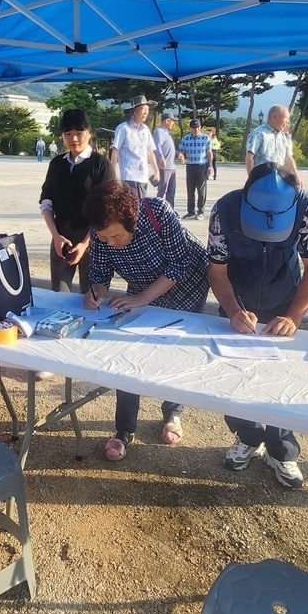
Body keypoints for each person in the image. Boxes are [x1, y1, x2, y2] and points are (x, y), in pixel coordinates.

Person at [206, 164, 308, 489]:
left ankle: (281, 450)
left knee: (282, 382)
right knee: (232, 379)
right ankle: (247, 436)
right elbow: (217, 271)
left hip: (286, 300)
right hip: (238, 301)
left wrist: (295, 316)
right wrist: (233, 311)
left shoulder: (304, 207)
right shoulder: (225, 210)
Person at [83, 181, 209, 461]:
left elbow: (180, 264)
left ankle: (173, 413)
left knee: (175, 350)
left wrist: (142, 298)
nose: (110, 242)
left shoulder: (158, 212)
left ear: (132, 220)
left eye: (115, 236)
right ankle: (123, 430)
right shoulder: (100, 233)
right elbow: (101, 272)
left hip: (187, 283)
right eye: (104, 237)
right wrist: (95, 293)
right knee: (130, 355)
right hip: (141, 288)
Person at [39, 108, 116, 291]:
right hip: (62, 241)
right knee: (59, 295)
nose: (74, 139)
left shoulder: (100, 164)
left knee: (90, 298)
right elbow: (46, 202)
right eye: (68, 134)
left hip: (94, 241)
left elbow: (107, 209)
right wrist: (56, 237)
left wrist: (84, 244)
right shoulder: (57, 164)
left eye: (79, 133)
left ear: (89, 133)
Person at [110, 94, 160, 198]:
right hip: (129, 176)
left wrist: (156, 170)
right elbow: (115, 151)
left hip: (142, 176)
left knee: (142, 208)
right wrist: (113, 174)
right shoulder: (123, 128)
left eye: (147, 109)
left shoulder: (145, 129)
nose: (146, 112)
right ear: (134, 111)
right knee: (130, 209)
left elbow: (150, 152)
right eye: (142, 109)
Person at [244, 105, 302, 186]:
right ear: (274, 117)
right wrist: (252, 180)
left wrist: (296, 178)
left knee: (301, 196)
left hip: (279, 180)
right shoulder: (259, 134)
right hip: (262, 179)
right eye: (285, 119)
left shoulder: (282, 136)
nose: (287, 122)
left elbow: (288, 158)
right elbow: (249, 157)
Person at [177, 117, 215, 219]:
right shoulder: (186, 139)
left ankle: (201, 211)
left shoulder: (205, 138)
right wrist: (181, 156)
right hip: (190, 166)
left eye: (198, 127)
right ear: (190, 129)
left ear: (200, 128)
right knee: (190, 190)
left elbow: (209, 153)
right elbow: (181, 150)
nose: (196, 130)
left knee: (201, 190)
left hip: (201, 165)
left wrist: (210, 167)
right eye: (194, 128)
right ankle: (191, 211)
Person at [153, 111, 178, 209]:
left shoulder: (167, 133)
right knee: (162, 189)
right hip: (165, 167)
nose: (173, 123)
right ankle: (158, 209)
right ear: (167, 120)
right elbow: (158, 145)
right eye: (172, 121)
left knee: (171, 190)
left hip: (172, 167)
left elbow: (170, 148)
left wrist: (178, 153)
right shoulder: (159, 131)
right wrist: (161, 157)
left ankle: (170, 209)